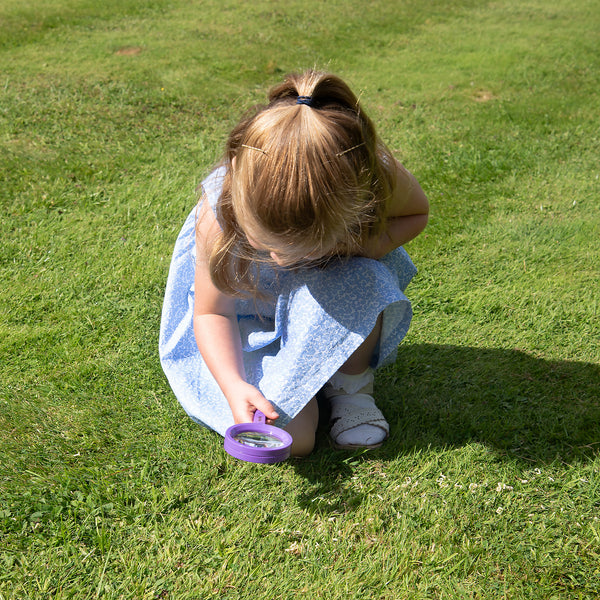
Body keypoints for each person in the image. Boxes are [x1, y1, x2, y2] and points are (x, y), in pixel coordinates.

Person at [159, 70, 428, 457]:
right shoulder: (219, 212)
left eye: (303, 248)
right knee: (297, 442)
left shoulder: (367, 175)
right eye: (265, 246)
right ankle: (308, 371)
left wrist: (349, 250)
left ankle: (350, 388)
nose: (280, 260)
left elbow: (416, 213)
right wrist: (234, 384)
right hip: (244, 323)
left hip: (324, 297)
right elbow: (211, 314)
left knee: (362, 278)